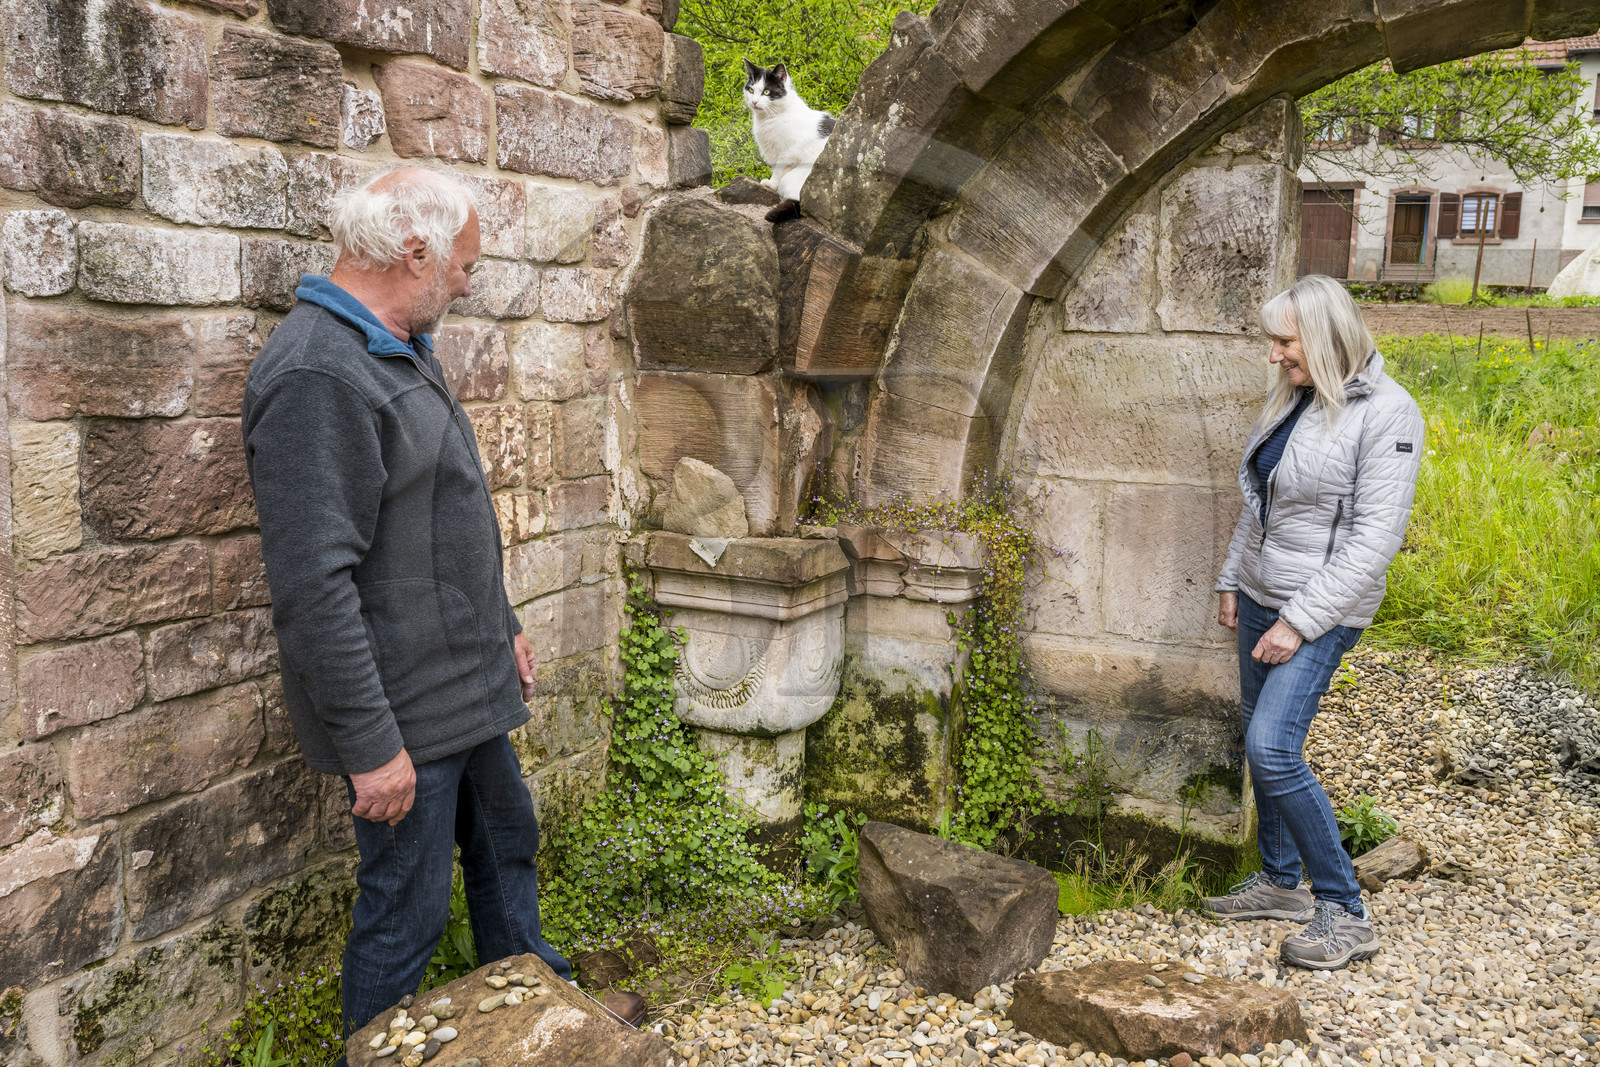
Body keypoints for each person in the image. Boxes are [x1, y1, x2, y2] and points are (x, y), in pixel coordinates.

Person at [242, 168, 573, 1039]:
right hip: (404, 719)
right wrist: (371, 746)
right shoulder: (319, 373)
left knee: (507, 851)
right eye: (463, 264)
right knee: (406, 916)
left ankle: (542, 1025)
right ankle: (379, 1052)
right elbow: (313, 588)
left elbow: (443, 512)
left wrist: (502, 626)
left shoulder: (394, 345)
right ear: (415, 253)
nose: (468, 282)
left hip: (463, 688)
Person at [1204, 274, 1424, 971]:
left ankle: (1345, 909)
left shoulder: (1390, 414)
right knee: (1255, 730)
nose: (1274, 355)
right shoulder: (1296, 397)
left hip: (1321, 610)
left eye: (1284, 341)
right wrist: (1233, 576)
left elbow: (1373, 541)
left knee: (1273, 747)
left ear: (1324, 338)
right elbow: (1259, 500)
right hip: (1262, 595)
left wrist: (1298, 621)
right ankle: (1278, 881)